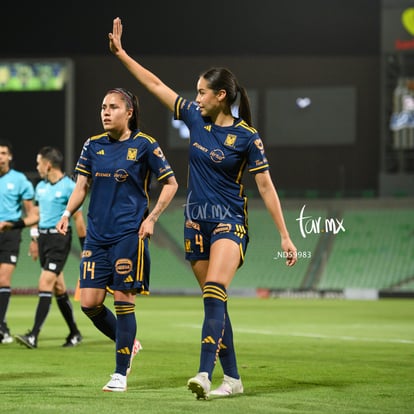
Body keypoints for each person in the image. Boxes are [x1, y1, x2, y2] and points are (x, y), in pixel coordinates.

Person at [108, 17, 298, 400]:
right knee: (216, 301)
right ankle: (234, 379)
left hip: (229, 222)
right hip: (195, 224)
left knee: (215, 288)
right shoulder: (195, 119)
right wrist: (123, 55)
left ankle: (203, 373)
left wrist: (285, 234)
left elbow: (265, 186)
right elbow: (155, 85)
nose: (195, 98)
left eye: (201, 92)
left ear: (221, 96)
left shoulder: (247, 138)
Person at [56, 87, 178, 392]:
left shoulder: (146, 145)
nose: (105, 112)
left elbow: (171, 184)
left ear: (129, 112)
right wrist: (67, 212)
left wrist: (151, 219)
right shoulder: (92, 145)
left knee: (124, 302)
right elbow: (81, 186)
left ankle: (120, 373)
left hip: (129, 234)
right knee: (89, 303)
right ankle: (129, 342)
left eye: (112, 107)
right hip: (97, 236)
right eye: (102, 107)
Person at [15, 146, 86, 349]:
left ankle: (33, 335)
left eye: (38, 163)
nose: (37, 167)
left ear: (47, 165)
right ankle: (74, 332)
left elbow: (78, 220)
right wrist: (33, 237)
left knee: (45, 283)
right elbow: (36, 216)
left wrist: (85, 249)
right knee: (58, 288)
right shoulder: (41, 187)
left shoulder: (68, 187)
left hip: (59, 240)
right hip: (44, 241)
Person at [0, 139, 38, 344]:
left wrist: (34, 238)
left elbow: (31, 212)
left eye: (4, 153)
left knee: (3, 280)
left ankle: (0, 327)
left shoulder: (20, 180)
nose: (1, 157)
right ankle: (3, 328)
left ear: (10, 156)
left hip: (10, 233)